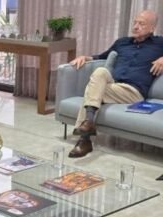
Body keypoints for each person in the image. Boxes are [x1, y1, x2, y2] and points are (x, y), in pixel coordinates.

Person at [68, 10, 163, 158]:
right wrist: (84, 57)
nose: (136, 26)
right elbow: (101, 56)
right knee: (100, 72)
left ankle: (84, 139)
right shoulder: (122, 42)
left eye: (141, 24)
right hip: (114, 86)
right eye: (135, 22)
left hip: (133, 92)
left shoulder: (159, 43)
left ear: (152, 28)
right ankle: (88, 125)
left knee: (92, 90)